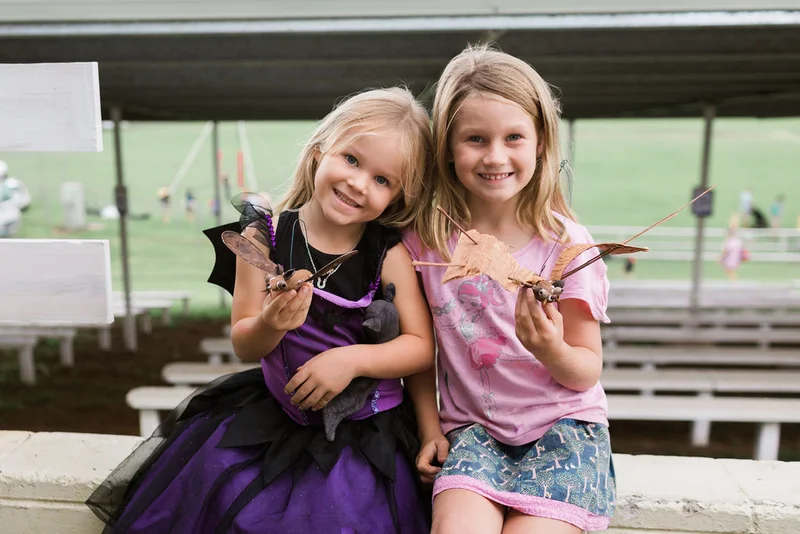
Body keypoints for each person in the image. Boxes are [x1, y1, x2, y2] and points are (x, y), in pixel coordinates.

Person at [87, 87, 436, 533]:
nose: (358, 182)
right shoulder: (262, 240)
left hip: (365, 434)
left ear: (399, 197)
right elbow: (244, 342)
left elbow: (422, 347)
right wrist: (271, 324)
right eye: (351, 159)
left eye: (382, 180)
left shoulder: (389, 256)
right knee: (217, 490)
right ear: (318, 151)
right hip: (275, 416)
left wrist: (350, 360)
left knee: (341, 518)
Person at [403, 44, 615, 533]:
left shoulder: (566, 246)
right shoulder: (427, 242)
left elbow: (585, 370)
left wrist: (551, 348)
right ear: (447, 149)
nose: (495, 156)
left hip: (566, 432)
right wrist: (430, 428)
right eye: (476, 138)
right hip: (473, 436)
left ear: (540, 142)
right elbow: (420, 350)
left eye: (513, 137)